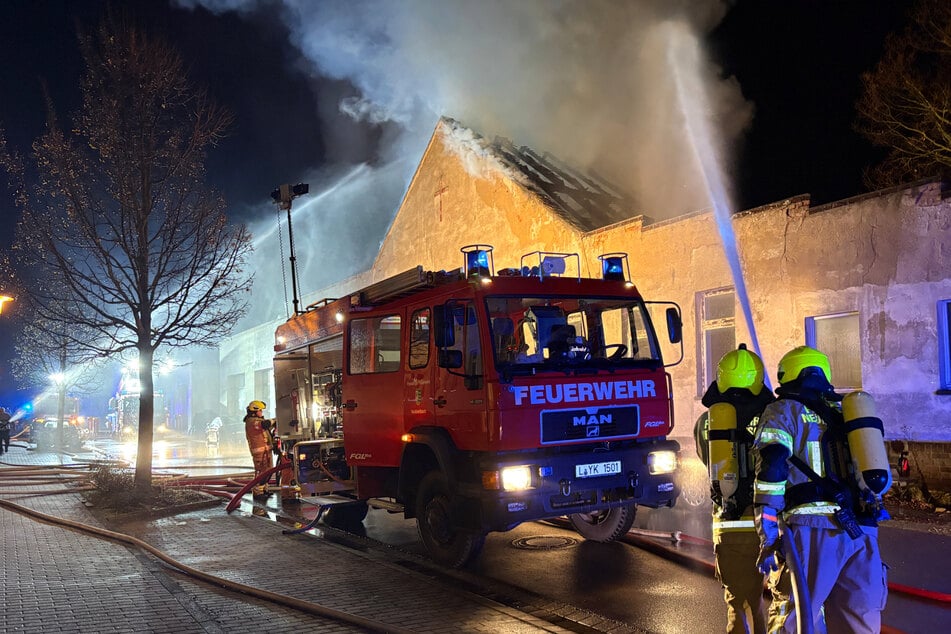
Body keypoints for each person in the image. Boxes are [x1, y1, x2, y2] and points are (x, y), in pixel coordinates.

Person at [752, 346, 888, 633]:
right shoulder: (845, 412)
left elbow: (773, 464)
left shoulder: (782, 410)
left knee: (796, 617)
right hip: (860, 531)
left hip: (812, 529)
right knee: (858, 620)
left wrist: (767, 530)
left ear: (786, 375)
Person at [694, 344, 775, 634]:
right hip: (771, 522)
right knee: (786, 602)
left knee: (742, 605)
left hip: (730, 527)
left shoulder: (707, 423)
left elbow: (711, 462)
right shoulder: (774, 418)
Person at [243, 400, 274, 498]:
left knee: (268, 471)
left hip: (266, 451)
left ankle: (264, 490)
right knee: (260, 472)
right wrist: (276, 419)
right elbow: (264, 425)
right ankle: (257, 492)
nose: (261, 412)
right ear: (254, 411)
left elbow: (267, 427)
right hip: (259, 453)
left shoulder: (257, 420)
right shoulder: (251, 422)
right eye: (260, 410)